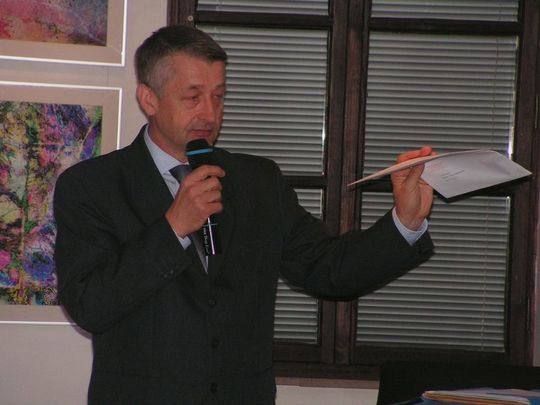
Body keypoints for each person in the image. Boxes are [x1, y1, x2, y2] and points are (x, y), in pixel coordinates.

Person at [53, 24, 435, 405]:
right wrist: (173, 228)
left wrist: (405, 222)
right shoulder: (92, 186)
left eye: (218, 96)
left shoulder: (258, 181)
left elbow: (330, 269)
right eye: (193, 97)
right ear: (149, 99)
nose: (209, 113)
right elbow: (90, 306)